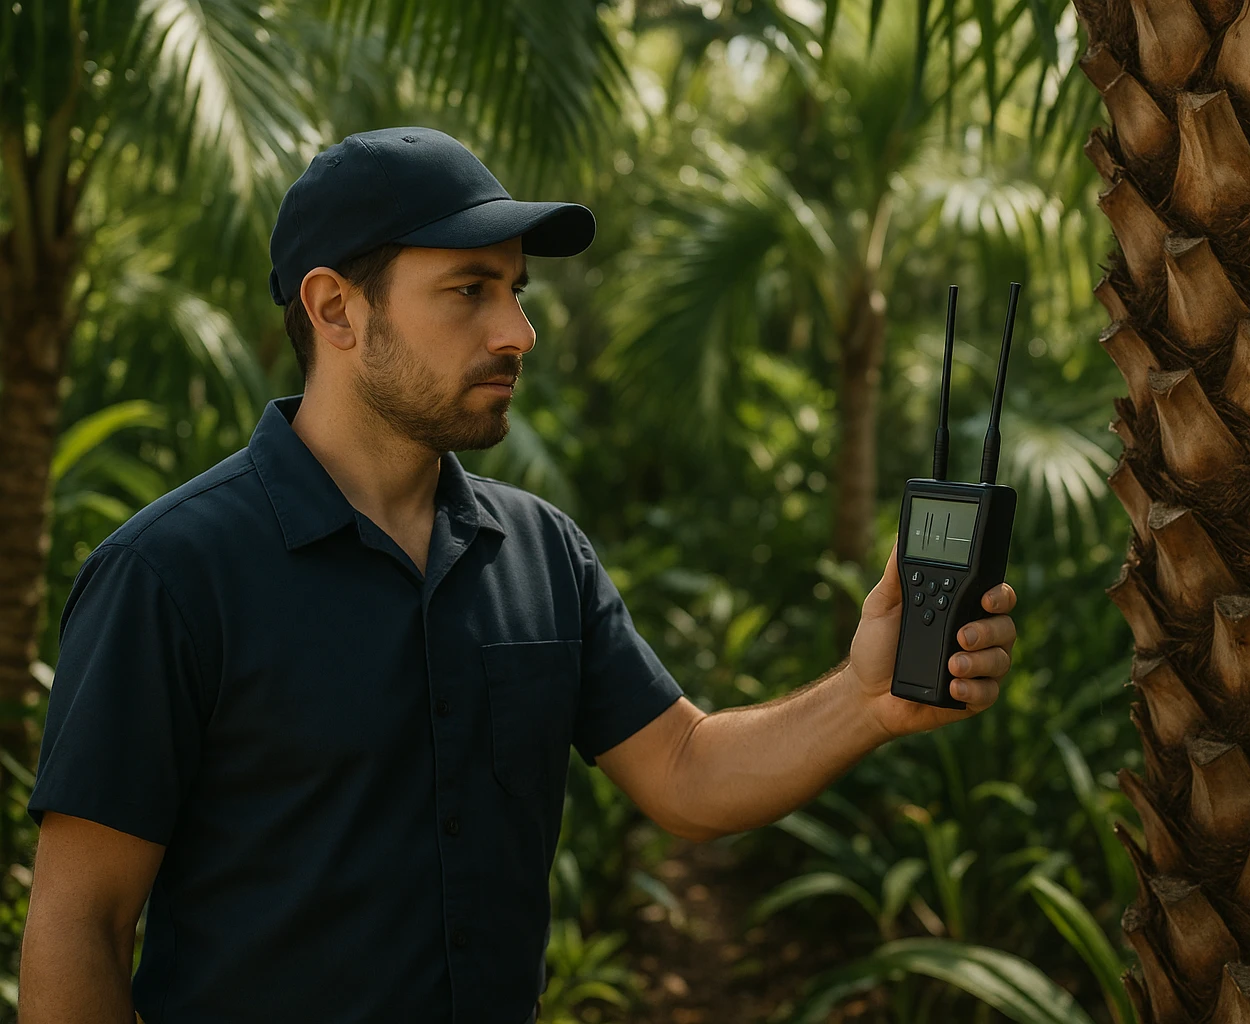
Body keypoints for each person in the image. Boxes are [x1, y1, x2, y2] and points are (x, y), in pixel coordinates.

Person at [17, 127, 1017, 1024]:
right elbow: (79, 933)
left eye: (516, 290)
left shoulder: (542, 553)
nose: (518, 333)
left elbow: (684, 769)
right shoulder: (171, 574)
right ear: (335, 309)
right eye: (469, 291)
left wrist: (866, 697)